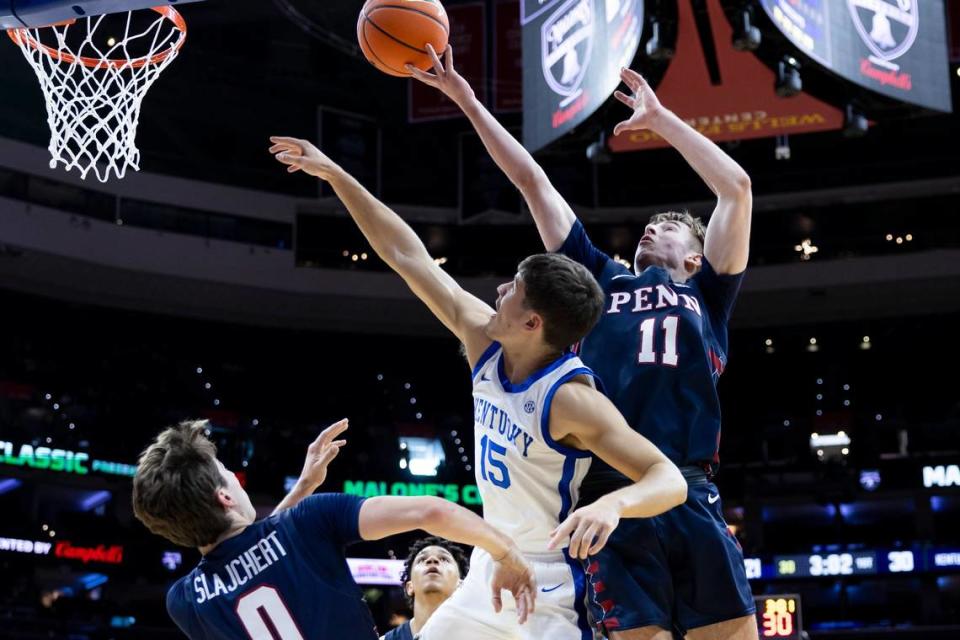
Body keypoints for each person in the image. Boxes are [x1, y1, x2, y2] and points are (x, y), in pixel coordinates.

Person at [269, 136, 687, 640]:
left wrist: (611, 504)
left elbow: (669, 479)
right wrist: (338, 176)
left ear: (533, 323)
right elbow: (407, 254)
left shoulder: (572, 400)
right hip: (492, 561)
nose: (498, 291)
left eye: (512, 289)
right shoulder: (482, 338)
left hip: (548, 584)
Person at [408, 45, 757, 640]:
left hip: (686, 487)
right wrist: (466, 100)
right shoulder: (595, 279)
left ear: (694, 255)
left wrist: (661, 119)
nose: (651, 227)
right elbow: (530, 180)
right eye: (651, 224)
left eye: (668, 227)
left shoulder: (708, 292)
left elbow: (737, 188)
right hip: (602, 495)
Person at [132, 418, 536, 639]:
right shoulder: (308, 520)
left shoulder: (185, 602)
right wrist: (506, 552)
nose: (236, 480)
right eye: (228, 475)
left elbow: (245, 552)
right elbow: (431, 512)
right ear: (224, 497)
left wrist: (303, 487)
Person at [382, 536, 470, 640]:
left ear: (460, 585)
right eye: (422, 559)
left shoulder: (483, 634)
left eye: (444, 559)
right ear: (410, 586)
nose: (432, 560)